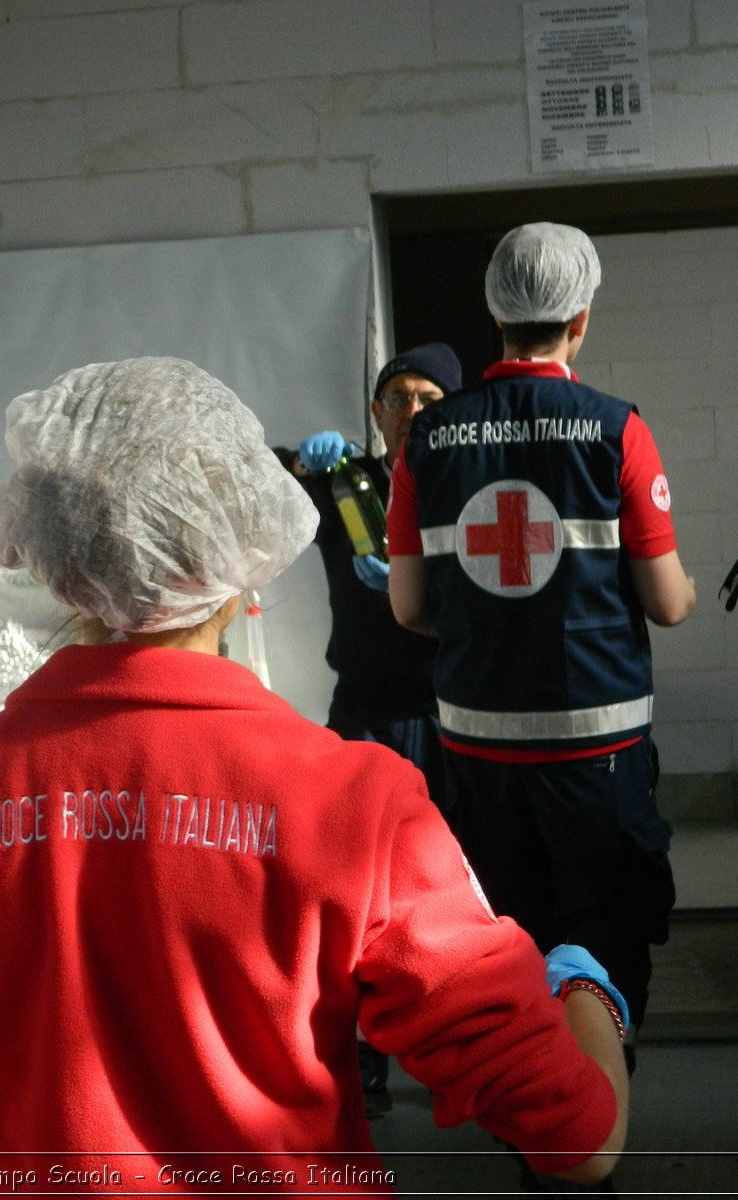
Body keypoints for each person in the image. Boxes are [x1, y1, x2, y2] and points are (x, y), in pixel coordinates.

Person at [0, 356, 630, 1194]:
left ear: (55, 558)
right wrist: (585, 992)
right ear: (240, 564)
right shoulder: (355, 803)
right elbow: (579, 1140)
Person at [387, 223, 696, 1050]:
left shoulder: (427, 439)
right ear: (581, 319)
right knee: (604, 934)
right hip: (598, 754)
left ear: (495, 315)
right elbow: (667, 604)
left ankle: (535, 1133)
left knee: (505, 939)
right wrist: (687, 589)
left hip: (478, 756)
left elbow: (410, 609)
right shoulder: (614, 429)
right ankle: (595, 1125)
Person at [280, 341, 461, 1116]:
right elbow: (255, 481)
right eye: (398, 398)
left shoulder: (472, 490)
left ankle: (460, 1058)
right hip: (362, 714)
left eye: (428, 399)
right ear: (378, 413)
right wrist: (299, 461)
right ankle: (362, 1065)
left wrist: (436, 587)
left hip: (451, 717)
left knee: (458, 891)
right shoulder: (348, 485)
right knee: (347, 891)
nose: (412, 411)